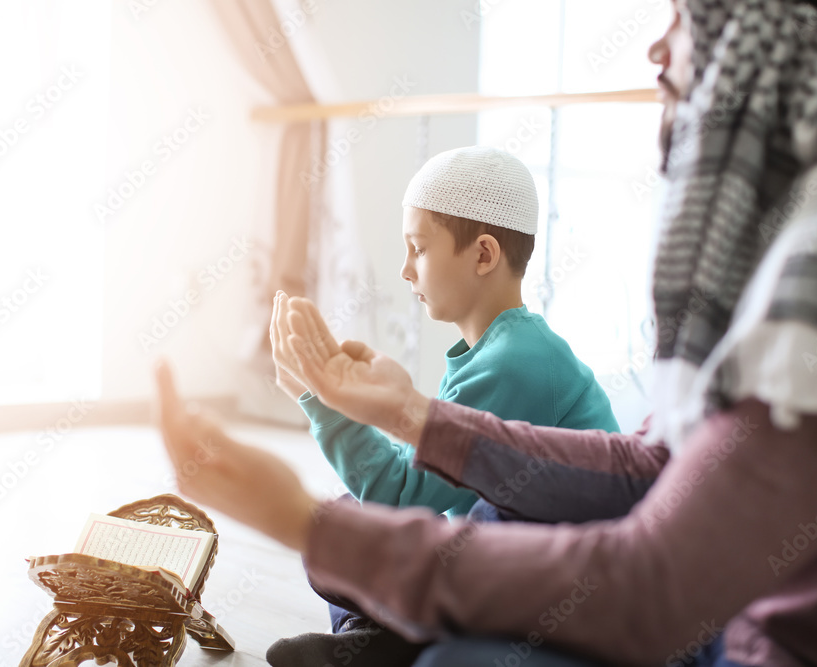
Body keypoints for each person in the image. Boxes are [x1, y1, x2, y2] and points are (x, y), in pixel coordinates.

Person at [153, 0, 817, 665]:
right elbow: (653, 465)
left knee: (458, 608)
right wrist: (402, 411)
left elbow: (653, 591)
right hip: (712, 611)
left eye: (683, 14)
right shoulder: (813, 223)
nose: (656, 49)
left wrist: (303, 517)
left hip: (740, 637)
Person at [266, 146, 620, 665]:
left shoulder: (517, 362)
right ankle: (379, 641)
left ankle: (384, 646)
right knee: (340, 521)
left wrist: (323, 404)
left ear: (482, 255)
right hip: (494, 562)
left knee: (342, 536)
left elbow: (402, 499)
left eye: (418, 248)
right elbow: (424, 484)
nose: (405, 270)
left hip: (555, 588)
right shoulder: (498, 350)